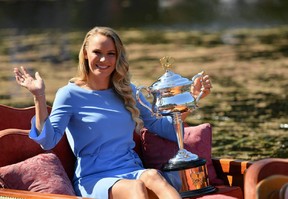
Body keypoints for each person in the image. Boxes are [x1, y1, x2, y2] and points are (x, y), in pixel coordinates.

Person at [13, 26, 212, 199]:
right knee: (136, 187)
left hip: (132, 169)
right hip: (94, 176)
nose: (104, 59)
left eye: (111, 53)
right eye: (97, 52)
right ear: (85, 53)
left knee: (154, 176)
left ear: (118, 57)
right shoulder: (69, 94)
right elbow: (48, 140)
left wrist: (191, 99)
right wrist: (39, 97)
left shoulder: (128, 90)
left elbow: (163, 128)